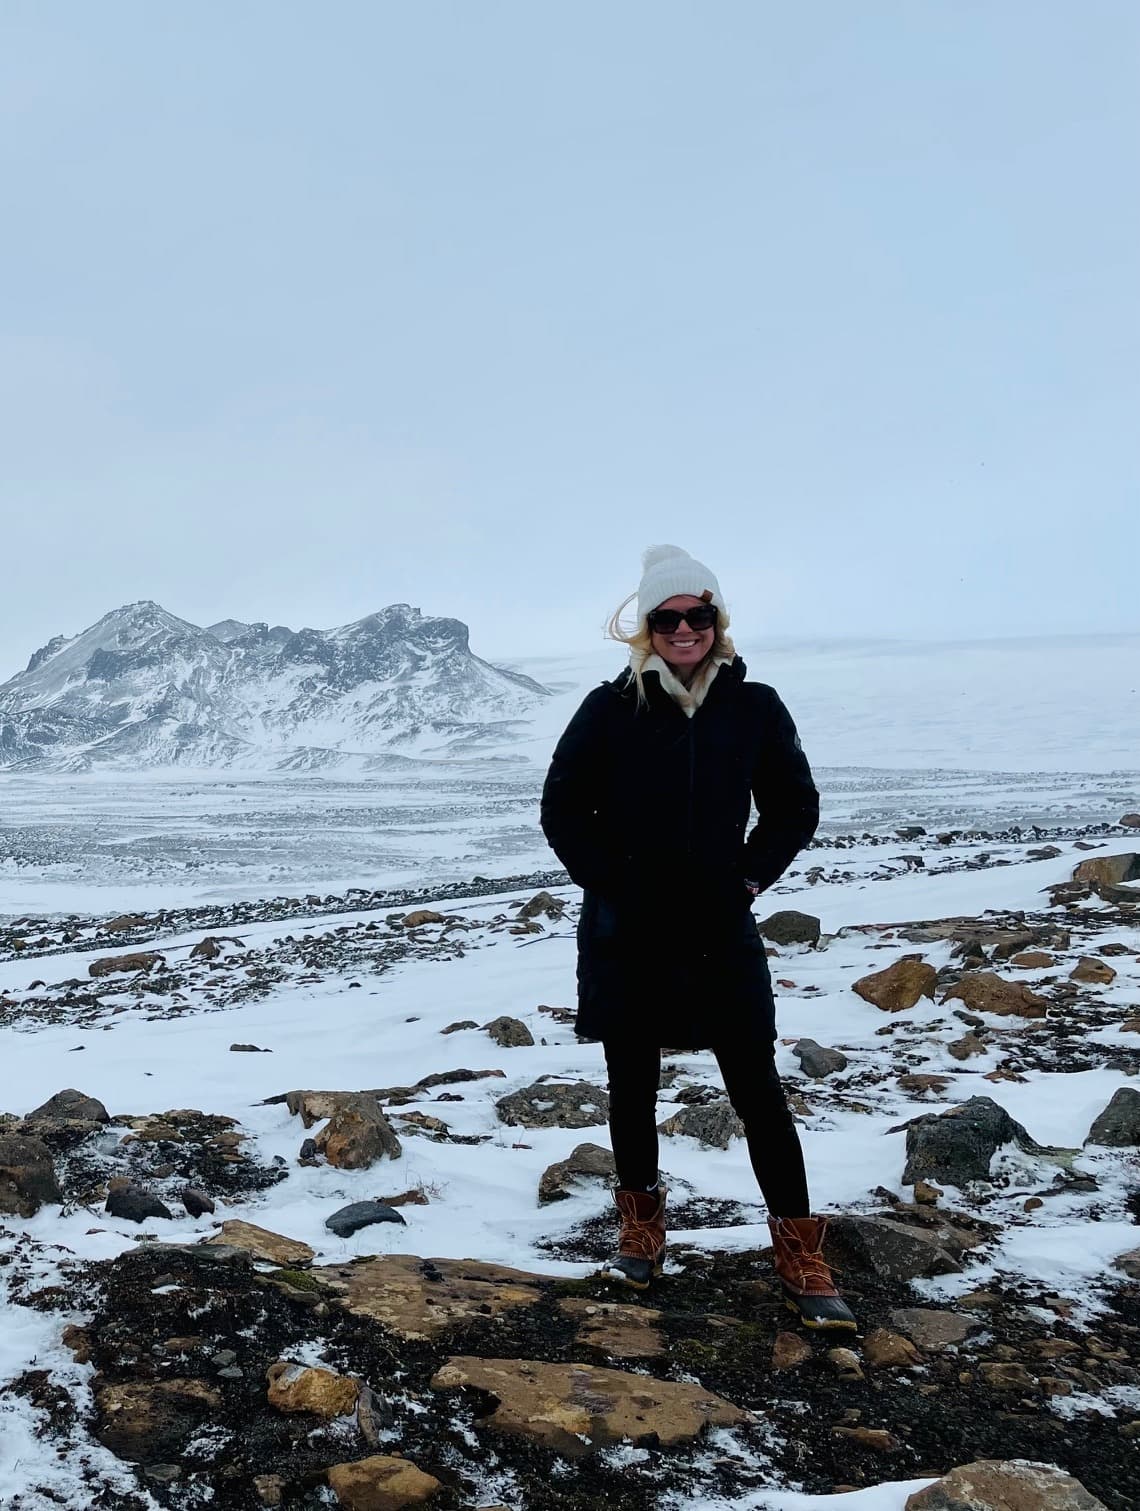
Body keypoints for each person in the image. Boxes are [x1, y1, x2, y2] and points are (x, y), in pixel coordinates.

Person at [540, 544, 855, 1331]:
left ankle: (799, 1248)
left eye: (699, 614)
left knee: (757, 1084)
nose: (686, 628)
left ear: (718, 620)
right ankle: (641, 1228)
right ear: (646, 627)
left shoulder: (754, 707)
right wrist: (610, 879)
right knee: (632, 1082)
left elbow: (793, 805)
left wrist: (749, 877)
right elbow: (561, 807)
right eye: (669, 617)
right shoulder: (610, 707)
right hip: (629, 929)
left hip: (719, 925)